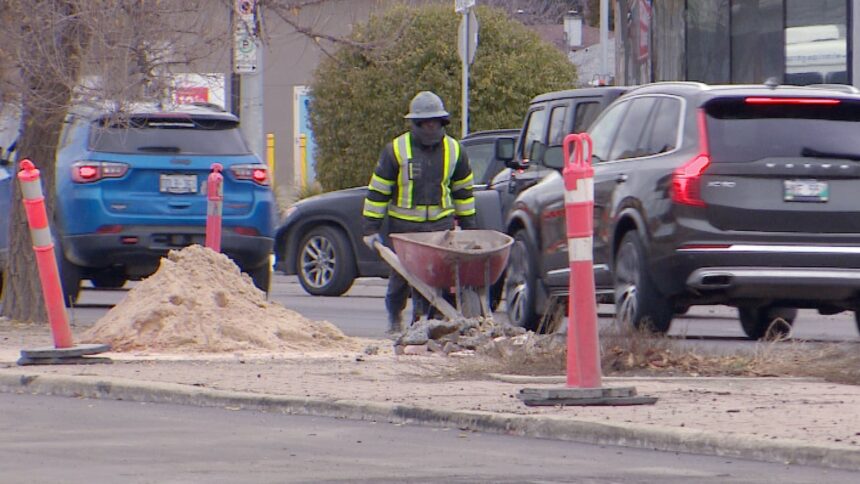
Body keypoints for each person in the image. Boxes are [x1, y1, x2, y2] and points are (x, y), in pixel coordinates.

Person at [362, 91, 476, 334]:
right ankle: (395, 318)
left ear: (442, 123)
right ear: (414, 124)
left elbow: (463, 193)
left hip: (440, 229)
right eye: (424, 123)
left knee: (435, 280)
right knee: (400, 279)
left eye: (434, 123)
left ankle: (425, 321)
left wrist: (469, 228)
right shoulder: (396, 150)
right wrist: (371, 228)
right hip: (405, 230)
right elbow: (379, 190)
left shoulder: (455, 151)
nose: (429, 128)